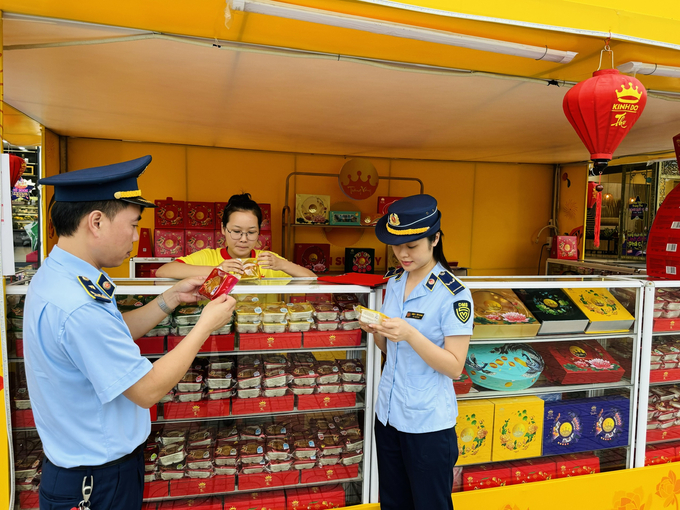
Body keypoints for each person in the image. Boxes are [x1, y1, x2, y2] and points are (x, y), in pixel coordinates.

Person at [24, 155, 236, 510]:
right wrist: (205, 326)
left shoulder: (63, 276)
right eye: (133, 224)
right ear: (96, 222)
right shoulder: (77, 303)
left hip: (91, 471)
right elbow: (147, 389)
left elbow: (111, 334)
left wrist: (170, 298)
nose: (137, 237)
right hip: (94, 483)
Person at [364, 194, 472, 510]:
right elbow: (390, 350)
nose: (402, 254)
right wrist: (378, 334)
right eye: (397, 246)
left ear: (435, 238)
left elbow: (454, 366)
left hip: (427, 425)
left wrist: (410, 333)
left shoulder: (454, 294)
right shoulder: (394, 283)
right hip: (388, 415)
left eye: (411, 246)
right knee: (394, 502)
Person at [156, 193, 315, 279]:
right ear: (223, 229)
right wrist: (217, 269)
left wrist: (281, 264)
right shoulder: (208, 257)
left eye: (251, 232)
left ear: (259, 231)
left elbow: (312, 278)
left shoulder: (268, 261)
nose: (244, 239)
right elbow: (163, 271)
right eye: (237, 231)